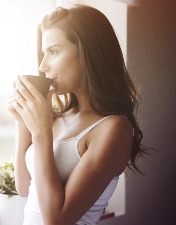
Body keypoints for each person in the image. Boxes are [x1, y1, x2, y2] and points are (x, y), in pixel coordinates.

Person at [8, 4, 149, 225]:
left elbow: (57, 220)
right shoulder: (54, 118)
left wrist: (41, 133)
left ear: (88, 52)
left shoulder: (114, 128)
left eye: (54, 52)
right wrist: (23, 124)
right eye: (43, 54)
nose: (43, 65)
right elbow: (24, 187)